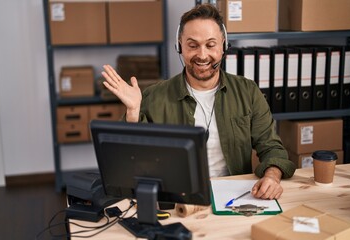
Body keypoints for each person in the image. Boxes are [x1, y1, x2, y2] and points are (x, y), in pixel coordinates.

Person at [101, 3, 296, 200]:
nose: (202, 55)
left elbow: (272, 148)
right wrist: (133, 111)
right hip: (175, 198)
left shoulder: (247, 91)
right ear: (180, 46)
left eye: (210, 45)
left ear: (223, 46)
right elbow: (132, 159)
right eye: (192, 45)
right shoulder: (155, 96)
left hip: (234, 197)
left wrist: (272, 176)